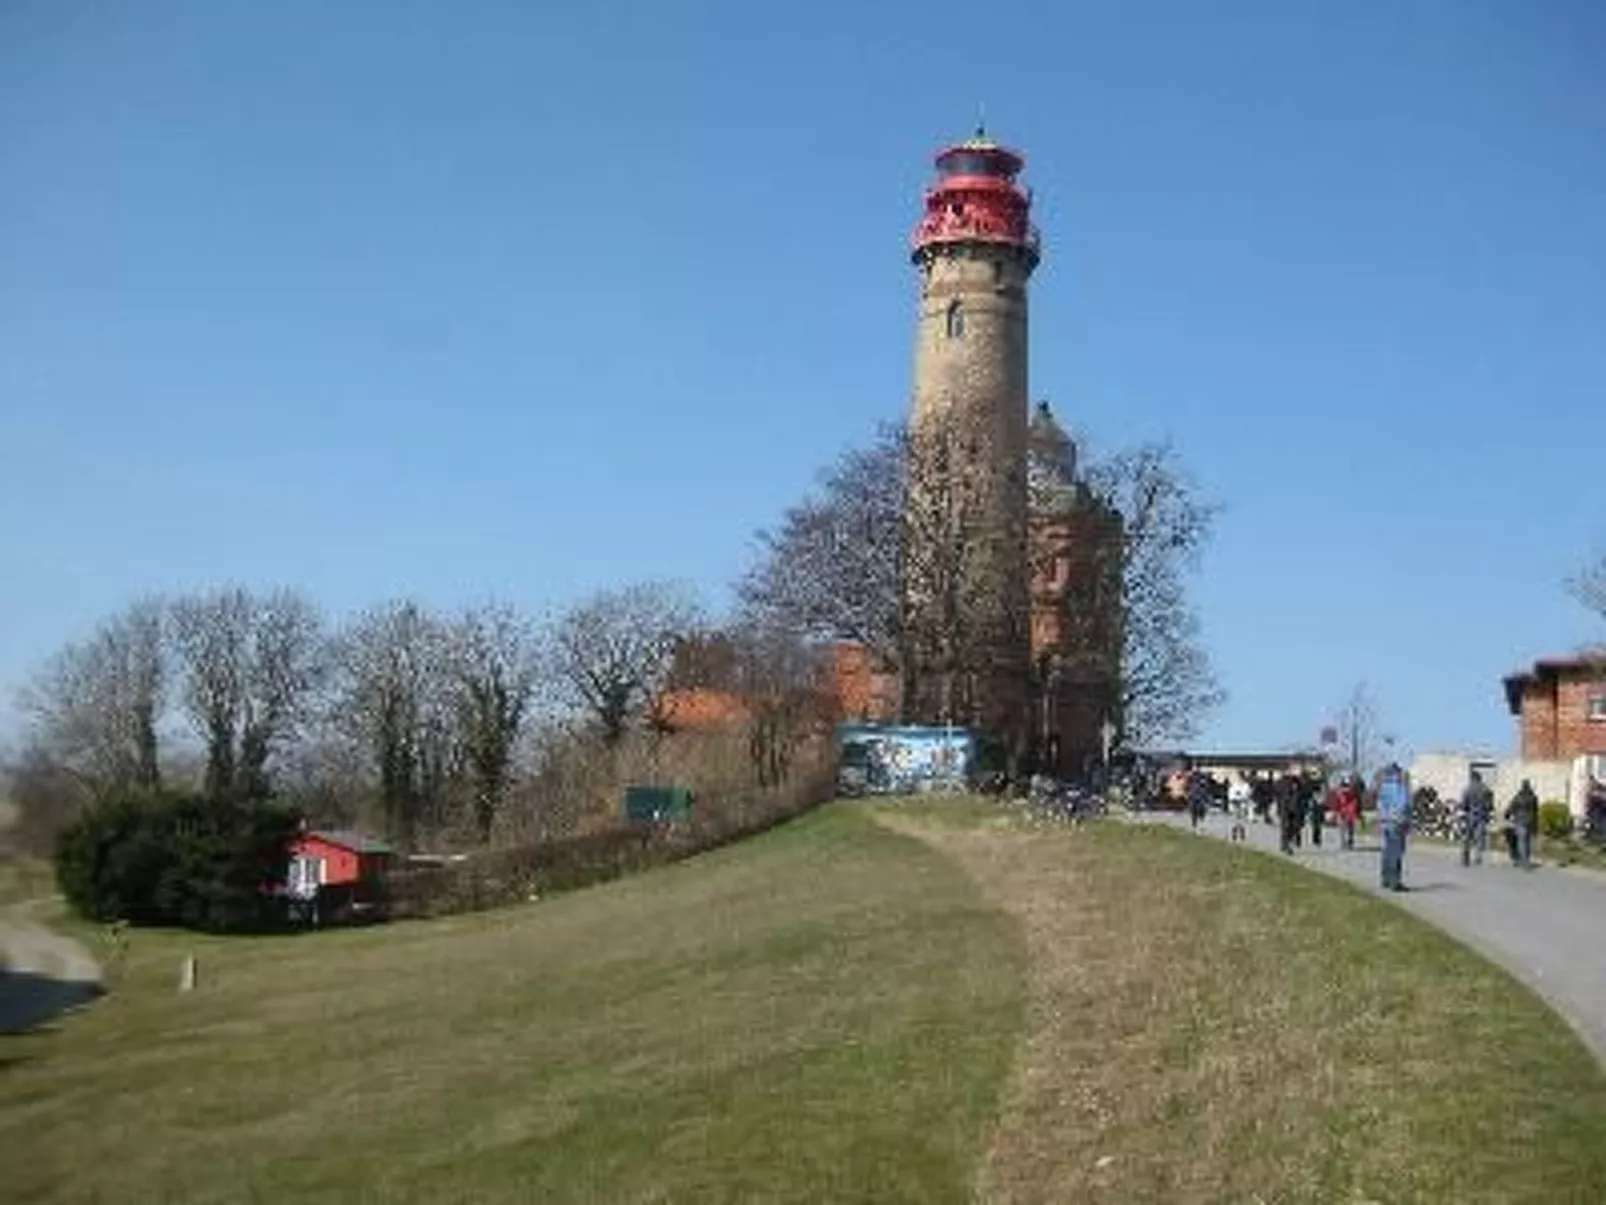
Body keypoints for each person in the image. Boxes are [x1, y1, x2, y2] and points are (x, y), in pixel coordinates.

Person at [1375, 762, 1411, 891]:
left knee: (1387, 851)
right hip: (1397, 822)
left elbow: (1379, 805)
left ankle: (1385, 879)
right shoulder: (1400, 787)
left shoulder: (1383, 786)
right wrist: (1404, 821)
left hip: (1385, 821)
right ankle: (1395, 882)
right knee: (1396, 852)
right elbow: (1403, 805)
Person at [1458, 770, 1494, 867]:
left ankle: (1465, 858)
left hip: (1470, 815)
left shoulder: (1467, 789)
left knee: (1467, 837)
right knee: (1479, 837)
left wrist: (1464, 809)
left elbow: (1463, 804)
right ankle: (1478, 857)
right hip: (1482, 815)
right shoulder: (1486, 789)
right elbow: (1490, 805)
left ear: (1472, 778)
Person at [1505, 779, 1539, 870]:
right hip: (1530, 821)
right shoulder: (1533, 797)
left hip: (1520, 821)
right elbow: (1536, 811)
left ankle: (1524, 861)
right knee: (1527, 842)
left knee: (1521, 841)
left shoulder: (1518, 797)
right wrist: (1536, 824)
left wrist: (1507, 815)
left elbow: (1511, 808)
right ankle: (1526, 859)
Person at [1332, 775, 1360, 850]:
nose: (1346, 788)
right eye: (1344, 786)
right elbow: (1336, 804)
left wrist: (1357, 814)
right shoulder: (1339, 795)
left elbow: (1356, 804)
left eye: (1347, 786)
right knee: (1342, 829)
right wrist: (1335, 813)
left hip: (1351, 814)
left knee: (1351, 830)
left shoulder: (1353, 795)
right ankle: (1343, 843)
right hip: (1342, 814)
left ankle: (1350, 842)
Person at [1228, 777, 1251, 842]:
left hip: (1242, 805)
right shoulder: (1233, 786)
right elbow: (1231, 795)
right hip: (1235, 805)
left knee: (1242, 821)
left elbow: (1248, 795)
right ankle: (1234, 835)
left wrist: (1243, 799)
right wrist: (1234, 800)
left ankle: (1242, 835)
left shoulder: (1246, 786)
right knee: (1235, 821)